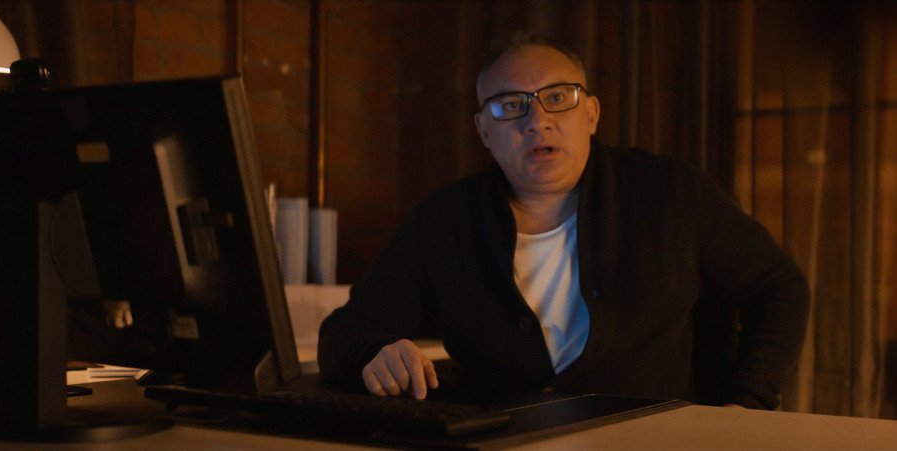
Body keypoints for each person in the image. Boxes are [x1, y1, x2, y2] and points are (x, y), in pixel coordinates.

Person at [317, 32, 810, 410]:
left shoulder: (670, 192)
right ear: (484, 130)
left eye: (558, 97)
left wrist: (748, 404)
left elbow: (778, 287)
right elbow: (345, 331)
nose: (537, 121)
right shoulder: (444, 221)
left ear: (591, 114)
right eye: (511, 106)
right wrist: (374, 351)